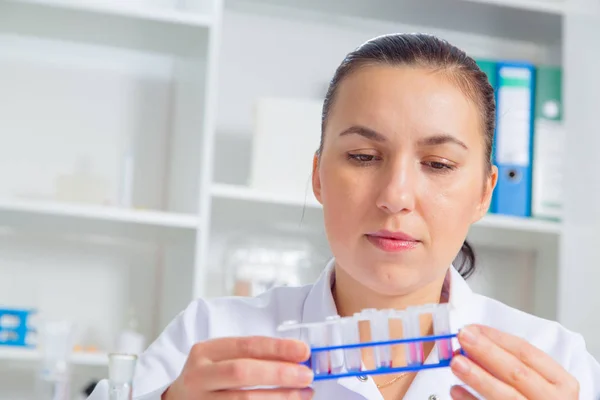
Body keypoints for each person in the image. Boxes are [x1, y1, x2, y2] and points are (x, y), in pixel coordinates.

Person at [88, 33, 600, 400]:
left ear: (485, 192)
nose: (396, 195)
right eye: (362, 157)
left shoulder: (556, 364)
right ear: (317, 175)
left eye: (438, 164)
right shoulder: (208, 338)